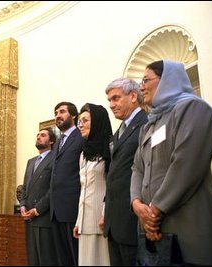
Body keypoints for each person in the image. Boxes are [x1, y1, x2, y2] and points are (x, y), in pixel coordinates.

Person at [130, 60, 212, 265]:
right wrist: (137, 204)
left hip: (190, 227)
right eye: (140, 81)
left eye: (146, 80)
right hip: (154, 230)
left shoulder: (193, 108)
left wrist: (153, 212)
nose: (141, 87)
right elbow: (137, 167)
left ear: (167, 80)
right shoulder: (149, 125)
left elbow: (186, 165)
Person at [102, 78, 148, 265]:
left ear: (133, 96)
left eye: (116, 98)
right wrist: (107, 212)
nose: (112, 105)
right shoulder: (119, 130)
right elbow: (114, 173)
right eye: (110, 101)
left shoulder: (146, 123)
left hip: (133, 219)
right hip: (114, 220)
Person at [73, 103, 112, 266]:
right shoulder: (84, 154)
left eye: (85, 120)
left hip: (101, 219)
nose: (80, 125)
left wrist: (105, 214)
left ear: (97, 122)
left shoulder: (110, 148)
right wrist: (78, 221)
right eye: (79, 121)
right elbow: (83, 188)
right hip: (84, 221)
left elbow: (112, 185)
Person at [50, 102, 84, 266]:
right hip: (55, 210)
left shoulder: (81, 137)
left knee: (76, 256)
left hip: (73, 208)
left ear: (73, 116)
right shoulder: (57, 142)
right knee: (61, 258)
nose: (58, 115)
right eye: (56, 112)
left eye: (62, 111)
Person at [20, 127, 57, 266]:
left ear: (51, 140)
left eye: (43, 135)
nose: (39, 137)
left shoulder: (55, 158)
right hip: (28, 218)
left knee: (45, 259)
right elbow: (25, 187)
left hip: (44, 217)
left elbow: (53, 189)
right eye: (38, 135)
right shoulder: (31, 161)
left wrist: (37, 210)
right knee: (32, 259)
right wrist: (22, 205)